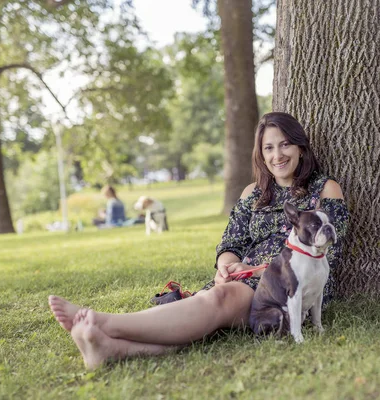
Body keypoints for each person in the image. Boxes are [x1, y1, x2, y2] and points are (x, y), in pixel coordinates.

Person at [49, 112, 349, 369]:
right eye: (268, 147)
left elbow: (326, 252)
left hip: (285, 288)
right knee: (206, 318)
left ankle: (106, 322)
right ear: (260, 153)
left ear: (300, 147)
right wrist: (228, 265)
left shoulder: (325, 189)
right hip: (240, 280)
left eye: (285, 144)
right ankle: (109, 348)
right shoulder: (252, 194)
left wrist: (257, 270)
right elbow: (230, 244)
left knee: (219, 300)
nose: (277, 155)